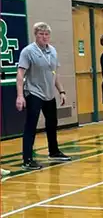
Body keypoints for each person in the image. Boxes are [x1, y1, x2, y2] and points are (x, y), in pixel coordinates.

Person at [16, 22, 71, 171]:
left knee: (52, 123)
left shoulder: (52, 51)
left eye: (47, 34)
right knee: (31, 125)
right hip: (34, 92)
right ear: (36, 35)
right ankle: (27, 159)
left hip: (49, 93)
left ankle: (53, 151)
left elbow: (55, 73)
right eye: (41, 34)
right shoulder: (28, 51)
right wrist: (20, 96)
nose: (44, 37)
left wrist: (61, 91)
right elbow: (20, 75)